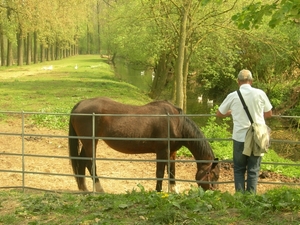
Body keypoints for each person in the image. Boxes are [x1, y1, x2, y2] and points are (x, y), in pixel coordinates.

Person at [216, 69, 273, 193]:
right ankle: (251, 198)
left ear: (238, 82)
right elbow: (269, 113)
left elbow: (219, 113)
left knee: (239, 169)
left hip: (240, 137)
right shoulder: (260, 93)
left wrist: (232, 112)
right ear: (251, 81)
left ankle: (240, 198)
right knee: (253, 169)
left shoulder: (233, 95)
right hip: (257, 137)